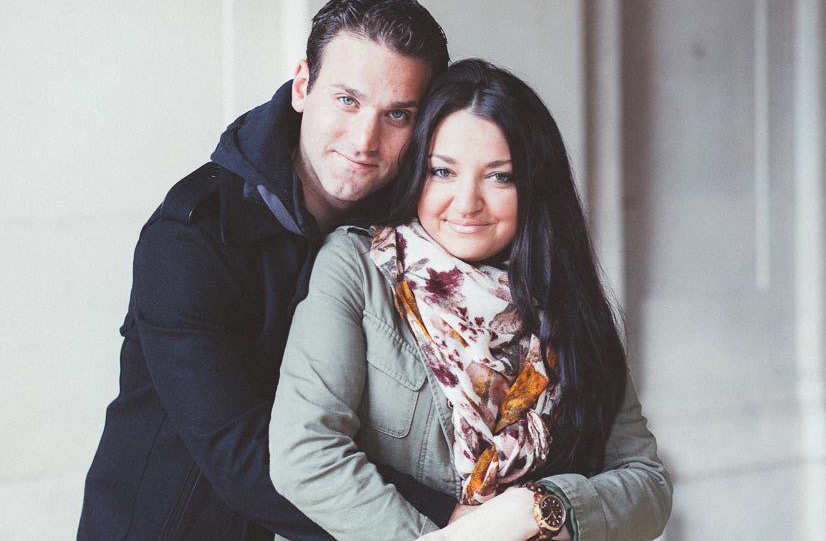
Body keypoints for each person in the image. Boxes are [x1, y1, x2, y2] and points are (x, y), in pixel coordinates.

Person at [78, 0, 458, 540]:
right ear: (303, 85)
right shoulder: (192, 239)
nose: (364, 139)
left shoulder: (405, 236)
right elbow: (241, 455)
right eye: (347, 100)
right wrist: (454, 519)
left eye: (396, 115)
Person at [269, 59, 673, 540]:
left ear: (534, 187)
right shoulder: (360, 266)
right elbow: (305, 452)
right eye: (442, 171)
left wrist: (540, 510)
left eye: (499, 177)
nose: (466, 203)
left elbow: (647, 484)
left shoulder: (567, 302)